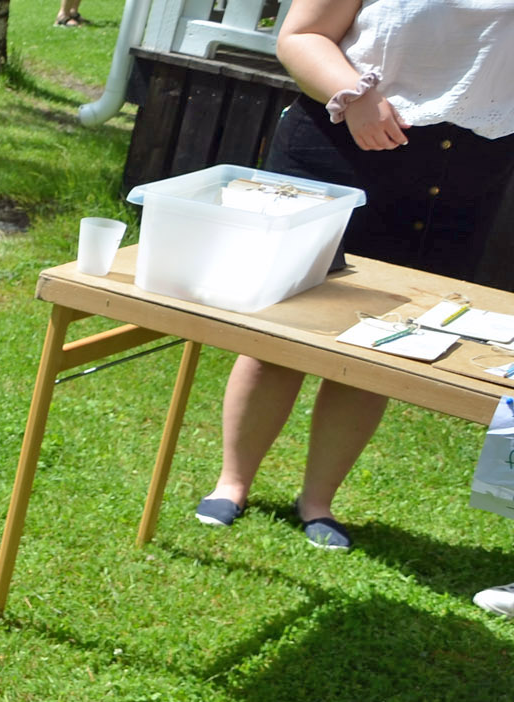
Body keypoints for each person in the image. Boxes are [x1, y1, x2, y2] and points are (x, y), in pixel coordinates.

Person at [194, 0, 514, 550]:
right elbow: (301, 35)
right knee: (281, 330)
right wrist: (356, 95)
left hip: (465, 176)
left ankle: (317, 501)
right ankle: (233, 482)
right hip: (340, 146)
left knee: (384, 346)